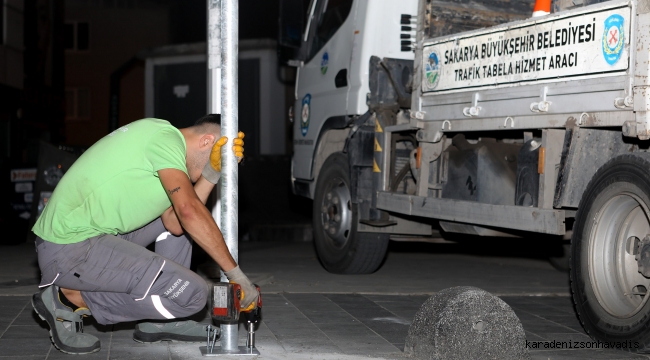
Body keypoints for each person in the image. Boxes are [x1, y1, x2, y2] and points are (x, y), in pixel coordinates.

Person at [30, 115, 258, 355]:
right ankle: (68, 300)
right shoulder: (165, 139)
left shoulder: (162, 144)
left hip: (92, 240)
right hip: (70, 250)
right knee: (194, 295)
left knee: (178, 226)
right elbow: (189, 212)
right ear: (207, 141)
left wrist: (211, 173)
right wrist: (237, 276)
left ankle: (161, 322)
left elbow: (175, 223)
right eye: (211, 162)